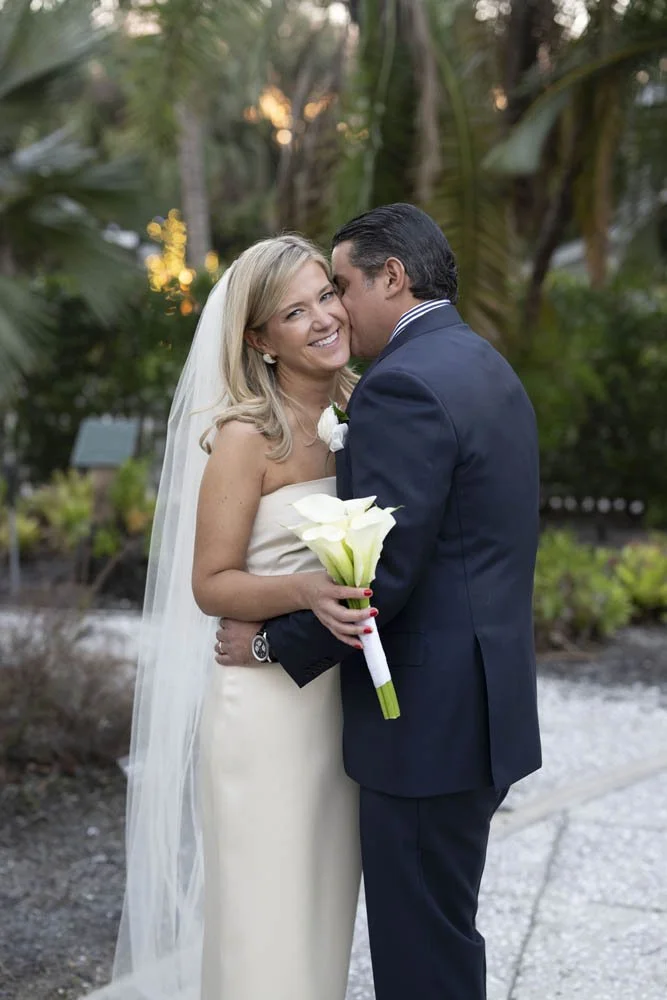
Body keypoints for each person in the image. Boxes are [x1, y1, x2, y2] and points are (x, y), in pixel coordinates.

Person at [216, 203, 543, 1000]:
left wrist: (266, 646)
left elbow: (379, 578)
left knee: (420, 954)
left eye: (341, 287)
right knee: (441, 928)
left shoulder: (399, 386)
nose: (335, 310)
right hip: (480, 706)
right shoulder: (481, 363)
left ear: (391, 278)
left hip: (424, 727)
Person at [88, 235, 375, 1000]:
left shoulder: (365, 411)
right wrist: (307, 591)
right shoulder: (247, 437)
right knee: (262, 925)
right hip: (263, 717)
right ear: (259, 339)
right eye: (293, 310)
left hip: (334, 711)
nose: (322, 318)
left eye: (326, 295)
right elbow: (210, 583)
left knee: (320, 918)